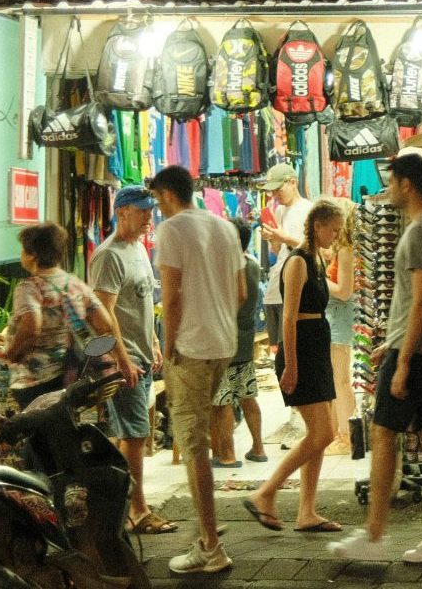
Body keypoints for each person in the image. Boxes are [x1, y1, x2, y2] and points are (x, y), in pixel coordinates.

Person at [327, 152, 422, 564]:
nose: (387, 190)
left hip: (420, 354)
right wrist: (395, 340)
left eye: (391, 182)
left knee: (385, 434)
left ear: (407, 184)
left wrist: (403, 359)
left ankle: (373, 536)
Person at [150, 164, 245, 576]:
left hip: (190, 347)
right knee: (202, 440)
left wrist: (168, 344)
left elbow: (170, 297)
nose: (157, 208)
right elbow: (241, 292)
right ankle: (206, 529)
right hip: (224, 344)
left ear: (168, 195)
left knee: (193, 447)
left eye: (156, 200)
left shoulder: (172, 230)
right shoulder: (224, 228)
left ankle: (210, 545)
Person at [246, 200, 346, 533]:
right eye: (332, 228)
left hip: (316, 347)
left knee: (319, 435)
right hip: (301, 349)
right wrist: (290, 364)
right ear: (317, 225)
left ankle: (307, 511)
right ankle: (265, 493)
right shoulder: (298, 262)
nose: (335, 235)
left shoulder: (317, 258)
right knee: (322, 432)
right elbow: (288, 318)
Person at [89, 187, 173, 534]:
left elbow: (140, 301)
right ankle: (137, 510)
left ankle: (125, 507)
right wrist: (121, 359)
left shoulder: (138, 248)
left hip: (140, 354)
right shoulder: (108, 255)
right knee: (135, 435)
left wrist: (153, 340)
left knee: (134, 435)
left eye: (150, 212)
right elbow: (102, 315)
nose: (148, 219)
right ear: (121, 212)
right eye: (142, 212)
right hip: (126, 360)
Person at [2, 222, 138, 409]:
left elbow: (31, 327)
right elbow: (105, 324)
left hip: (35, 381)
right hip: (72, 378)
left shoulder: (30, 287)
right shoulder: (74, 283)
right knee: (63, 430)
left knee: (37, 434)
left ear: (32, 255)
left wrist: (11, 354)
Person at [259, 163, 315, 448]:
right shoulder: (280, 211)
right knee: (279, 354)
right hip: (274, 288)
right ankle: (291, 416)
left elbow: (312, 246)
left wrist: (282, 238)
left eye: (278, 188)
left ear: (292, 182)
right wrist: (273, 241)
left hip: (293, 289)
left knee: (294, 353)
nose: (275, 195)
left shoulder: (307, 210)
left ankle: (300, 420)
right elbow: (279, 251)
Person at [210, 221, 267, 468]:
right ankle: (258, 447)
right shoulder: (253, 264)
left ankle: (228, 455)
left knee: (222, 400)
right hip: (245, 340)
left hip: (224, 341)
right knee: (246, 396)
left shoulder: (228, 269)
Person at [323, 206, 359, 456]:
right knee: (338, 378)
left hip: (339, 317)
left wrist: (317, 276)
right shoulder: (344, 250)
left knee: (340, 379)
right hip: (337, 318)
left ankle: (346, 436)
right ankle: (341, 433)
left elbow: (344, 291)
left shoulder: (346, 250)